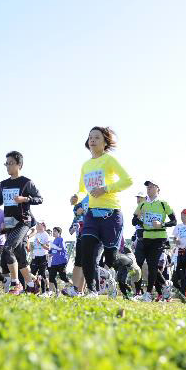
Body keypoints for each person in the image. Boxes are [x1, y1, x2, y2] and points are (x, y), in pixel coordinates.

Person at [70, 127, 133, 297]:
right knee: (87, 250)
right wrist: (77, 196)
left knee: (111, 259)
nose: (92, 140)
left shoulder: (109, 160)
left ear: (105, 142)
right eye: (90, 137)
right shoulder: (86, 165)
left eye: (97, 137)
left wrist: (106, 189)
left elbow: (128, 181)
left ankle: (129, 262)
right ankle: (92, 291)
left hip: (111, 215)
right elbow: (83, 189)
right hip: (91, 214)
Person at [0, 151, 42, 295]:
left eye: (10, 163)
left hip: (23, 222)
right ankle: (32, 286)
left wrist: (25, 199)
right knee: (20, 258)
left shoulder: (26, 182)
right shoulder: (3, 184)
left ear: (19, 164)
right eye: (6, 163)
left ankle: (16, 284)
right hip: (9, 224)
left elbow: (39, 198)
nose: (7, 166)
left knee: (8, 249)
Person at [133, 179, 176, 302]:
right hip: (145, 237)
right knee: (138, 264)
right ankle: (140, 292)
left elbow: (174, 221)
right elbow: (133, 221)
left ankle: (148, 294)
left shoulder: (163, 204)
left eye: (152, 186)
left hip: (159, 238)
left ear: (158, 189)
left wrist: (162, 224)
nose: (149, 188)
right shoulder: (142, 204)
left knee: (152, 265)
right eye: (148, 187)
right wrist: (143, 222)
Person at [62, 196, 89, 297]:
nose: (76, 211)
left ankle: (81, 290)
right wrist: (74, 227)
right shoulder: (76, 218)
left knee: (85, 265)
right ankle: (76, 289)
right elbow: (70, 231)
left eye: (77, 210)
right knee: (78, 264)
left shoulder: (87, 215)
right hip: (79, 240)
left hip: (88, 239)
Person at [47, 227, 70, 295]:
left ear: (59, 233)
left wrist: (53, 247)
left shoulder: (61, 239)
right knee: (51, 276)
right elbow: (52, 251)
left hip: (62, 261)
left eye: (55, 231)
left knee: (63, 277)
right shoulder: (54, 241)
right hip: (54, 262)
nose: (53, 232)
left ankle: (74, 287)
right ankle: (50, 292)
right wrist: (49, 253)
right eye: (53, 231)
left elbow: (61, 249)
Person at [30, 221, 51, 294]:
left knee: (42, 274)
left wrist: (41, 244)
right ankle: (32, 290)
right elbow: (35, 245)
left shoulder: (46, 235)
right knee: (31, 273)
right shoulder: (36, 234)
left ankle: (44, 292)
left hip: (43, 256)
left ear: (44, 227)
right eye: (37, 225)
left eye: (39, 225)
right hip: (35, 256)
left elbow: (48, 248)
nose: (37, 226)